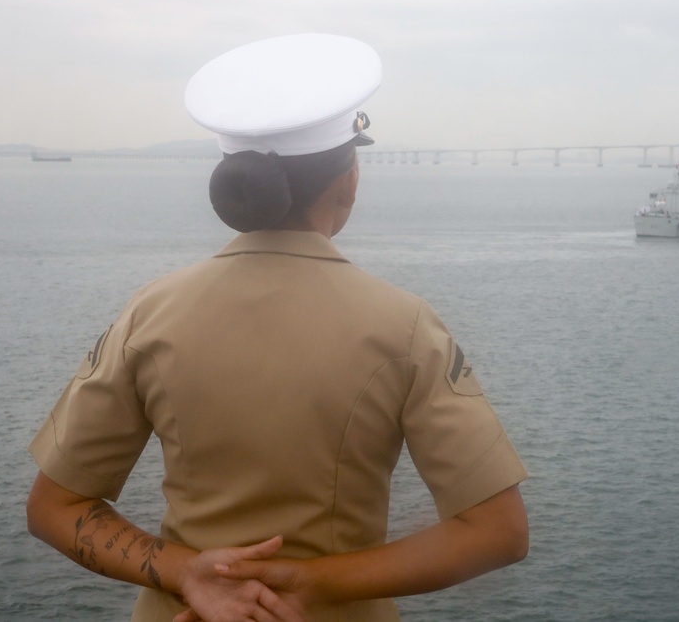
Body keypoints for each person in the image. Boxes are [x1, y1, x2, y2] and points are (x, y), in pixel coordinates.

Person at [27, 33, 529, 622]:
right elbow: (498, 531)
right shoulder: (406, 326)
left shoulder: (150, 312)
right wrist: (311, 581)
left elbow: (53, 507)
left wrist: (187, 572)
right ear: (349, 179)